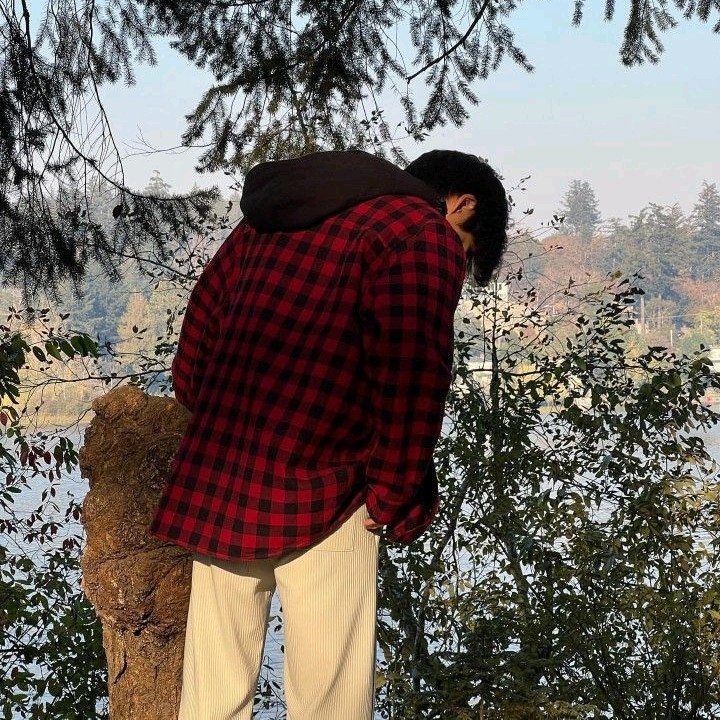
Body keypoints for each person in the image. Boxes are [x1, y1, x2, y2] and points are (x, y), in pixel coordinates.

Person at [150, 149, 509, 720]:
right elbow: (413, 380)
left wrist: (218, 420)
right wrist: (392, 494)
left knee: (211, 699)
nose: (457, 264)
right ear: (463, 205)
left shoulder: (270, 218)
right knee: (329, 703)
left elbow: (197, 338)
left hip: (224, 479)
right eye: (465, 251)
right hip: (332, 492)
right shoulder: (420, 232)